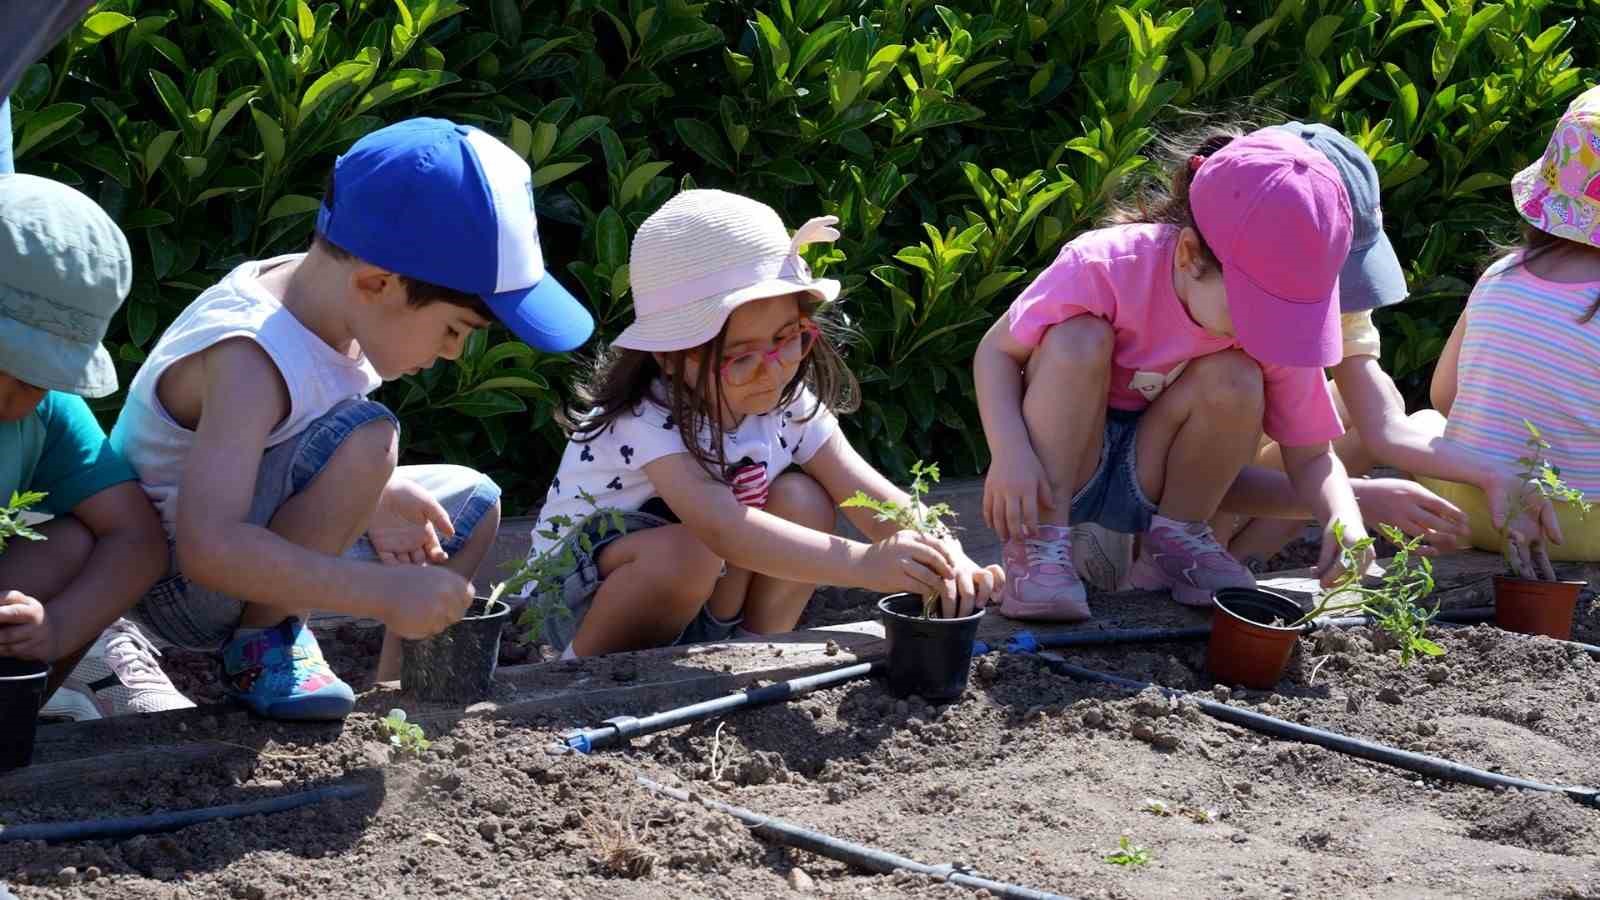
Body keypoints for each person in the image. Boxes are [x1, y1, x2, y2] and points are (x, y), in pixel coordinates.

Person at [110, 118, 594, 719]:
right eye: (454, 329)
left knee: (470, 505)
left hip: (236, 556)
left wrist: (377, 493)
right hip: (178, 584)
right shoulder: (249, 357)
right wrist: (383, 592)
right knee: (369, 437)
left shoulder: (333, 301)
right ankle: (265, 645)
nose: (453, 353)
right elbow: (210, 546)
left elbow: (282, 446)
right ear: (378, 283)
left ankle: (393, 698)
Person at [522, 189, 1003, 658]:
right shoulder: (645, 417)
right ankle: (587, 672)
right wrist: (865, 564)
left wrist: (946, 552)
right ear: (671, 359)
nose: (772, 367)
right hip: (581, 600)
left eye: (786, 338)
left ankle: (755, 651)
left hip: (704, 589)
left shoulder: (784, 401)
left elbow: (867, 490)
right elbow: (726, 531)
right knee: (689, 553)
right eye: (740, 356)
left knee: (804, 498)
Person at [974, 127, 1371, 621]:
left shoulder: (1269, 336)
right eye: (1256, 311)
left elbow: (1312, 455)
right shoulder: (1105, 264)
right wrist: (1010, 452)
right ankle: (1039, 547)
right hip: (1062, 466)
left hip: (1153, 472)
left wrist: (1343, 517)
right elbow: (996, 352)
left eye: (1285, 315)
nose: (1268, 332)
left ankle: (1176, 544)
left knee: (1237, 375)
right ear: (1189, 256)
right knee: (1079, 338)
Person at [1211, 122, 1489, 564]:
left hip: (1253, 470)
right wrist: (1360, 497)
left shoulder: (1338, 302)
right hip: (1181, 479)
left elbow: (1382, 425)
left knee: (1351, 406)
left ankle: (1239, 561)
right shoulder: (1213, 300)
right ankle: (1201, 551)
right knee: (1240, 386)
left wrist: (1493, 475)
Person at [0, 174, 184, 719]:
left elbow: (138, 539)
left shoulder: (47, 412)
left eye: (41, 374)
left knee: (78, 544)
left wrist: (56, 629)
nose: (25, 389)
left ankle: (24, 705)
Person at [1421, 84, 1600, 577]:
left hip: (1478, 509)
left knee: (1419, 425)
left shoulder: (1501, 274)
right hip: (1584, 529)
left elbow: (1443, 397)